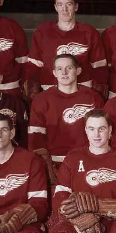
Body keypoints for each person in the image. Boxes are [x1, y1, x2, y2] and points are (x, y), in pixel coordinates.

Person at [28, 54, 104, 184]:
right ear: (54, 73)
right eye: (59, 69)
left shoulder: (93, 97)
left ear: (78, 71)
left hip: (89, 160)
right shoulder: (42, 100)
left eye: (69, 68)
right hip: (56, 163)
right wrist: (45, 166)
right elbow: (36, 137)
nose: (64, 72)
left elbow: (104, 132)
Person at [24, 0, 108, 101]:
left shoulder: (89, 32)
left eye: (69, 4)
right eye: (60, 4)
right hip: (50, 90)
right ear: (55, 7)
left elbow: (99, 67)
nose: (64, 9)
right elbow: (34, 66)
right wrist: (33, 88)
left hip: (82, 91)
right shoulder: (43, 31)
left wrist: (98, 91)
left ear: (76, 7)